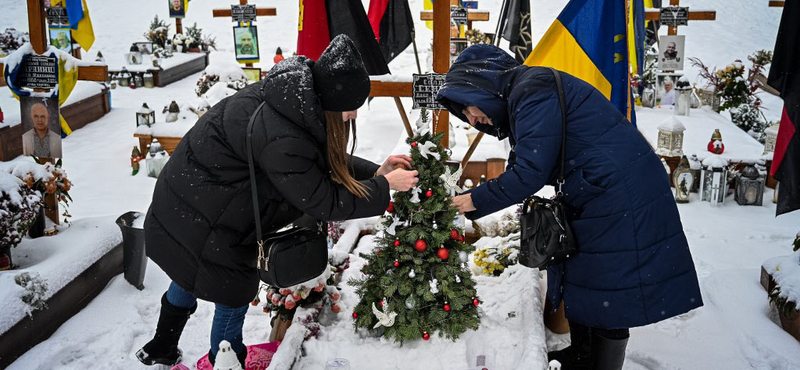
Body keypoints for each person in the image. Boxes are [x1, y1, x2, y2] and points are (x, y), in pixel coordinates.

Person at [135, 35, 418, 368]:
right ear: (331, 101)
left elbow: (316, 159)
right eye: (350, 107)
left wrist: (376, 173)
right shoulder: (284, 135)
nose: (353, 115)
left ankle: (161, 345)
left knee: (190, 267)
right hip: (211, 216)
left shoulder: (293, 102)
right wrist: (383, 187)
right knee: (230, 292)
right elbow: (322, 200)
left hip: (186, 202)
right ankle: (226, 361)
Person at [437, 45, 703, 370]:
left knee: (609, 285)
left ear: (483, 86)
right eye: (464, 114)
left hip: (618, 192)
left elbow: (529, 174)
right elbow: (527, 156)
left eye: (469, 107)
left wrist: (471, 201)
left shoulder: (531, 90)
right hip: (599, 189)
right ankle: (581, 354)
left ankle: (600, 364)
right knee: (584, 279)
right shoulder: (525, 94)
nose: (471, 118)